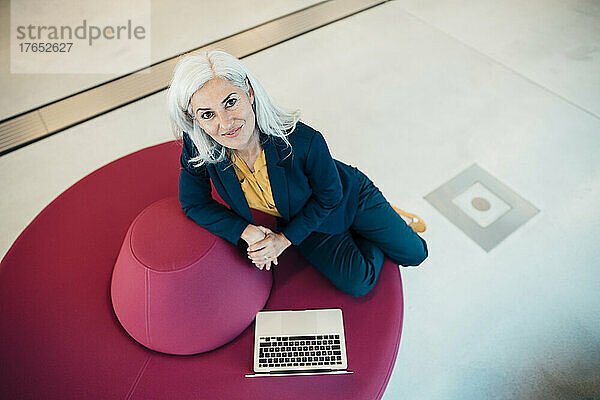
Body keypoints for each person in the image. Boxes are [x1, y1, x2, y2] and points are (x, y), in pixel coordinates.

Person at [166, 49, 428, 298]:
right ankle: (373, 232)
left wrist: (283, 241)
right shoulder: (198, 145)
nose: (225, 123)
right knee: (358, 283)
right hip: (304, 217)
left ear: (249, 91)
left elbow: (330, 195)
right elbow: (194, 203)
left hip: (348, 196)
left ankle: (388, 216)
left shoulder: (304, 139)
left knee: (415, 254)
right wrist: (246, 231)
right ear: (194, 118)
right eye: (207, 114)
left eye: (231, 102)